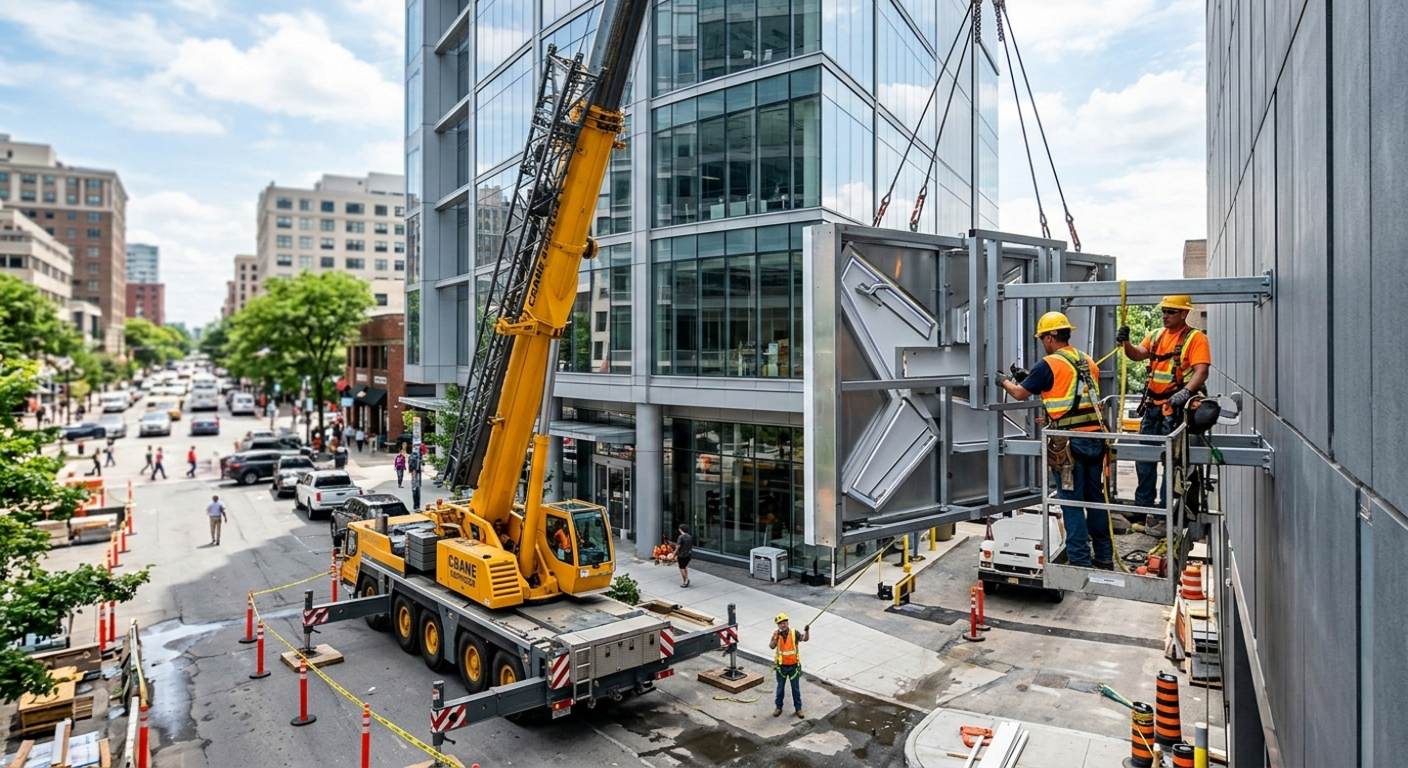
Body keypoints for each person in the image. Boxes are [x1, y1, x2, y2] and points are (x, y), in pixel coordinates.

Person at [999, 311, 1113, 570]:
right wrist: (1028, 377)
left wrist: (1004, 381)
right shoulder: (1086, 360)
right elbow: (1066, 389)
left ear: (1051, 337)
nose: (1043, 343)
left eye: (1043, 338)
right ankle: (1104, 557)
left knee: (1071, 503)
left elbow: (1019, 394)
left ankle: (1080, 562)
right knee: (1095, 500)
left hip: (1069, 444)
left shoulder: (1048, 363)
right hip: (1095, 439)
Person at [1117, 295, 1211, 520]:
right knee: (1145, 458)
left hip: (1176, 409)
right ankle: (1143, 509)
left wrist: (1186, 392)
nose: (1165, 315)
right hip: (1153, 407)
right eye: (1164, 311)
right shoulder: (1157, 335)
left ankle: (1164, 513)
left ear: (1184, 313)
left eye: (1171, 311)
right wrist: (1126, 343)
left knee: (1172, 462)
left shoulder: (1195, 339)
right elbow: (1138, 354)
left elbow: (1201, 371)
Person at [769, 613, 809, 718]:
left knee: (795, 689)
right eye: (780, 624)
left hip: (794, 667)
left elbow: (805, 639)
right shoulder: (776, 634)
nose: (783, 625)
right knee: (780, 689)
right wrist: (775, 638)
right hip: (781, 667)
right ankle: (778, 708)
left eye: (784, 622)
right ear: (778, 625)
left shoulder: (794, 633)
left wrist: (807, 631)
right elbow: (772, 646)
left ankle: (798, 709)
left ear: (788, 623)